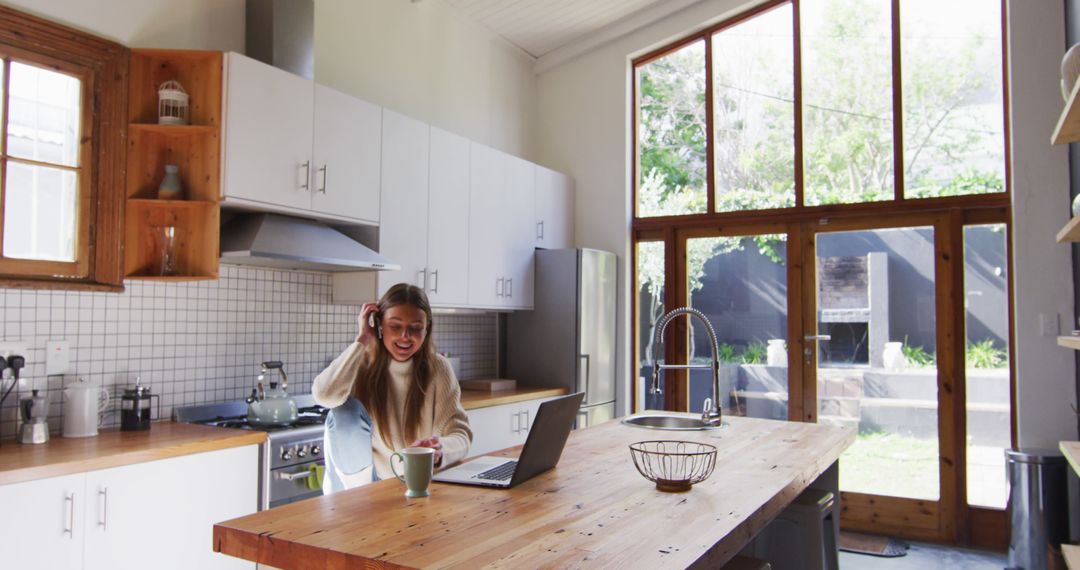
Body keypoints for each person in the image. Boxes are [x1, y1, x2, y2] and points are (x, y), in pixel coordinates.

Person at [313, 283, 472, 491]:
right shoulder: (359, 363)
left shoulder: (438, 368)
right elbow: (324, 396)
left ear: (426, 329)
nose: (405, 336)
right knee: (344, 410)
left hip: (411, 483)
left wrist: (441, 449)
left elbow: (461, 436)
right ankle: (361, 498)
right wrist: (362, 339)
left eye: (415, 328)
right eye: (395, 326)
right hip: (356, 487)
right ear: (379, 325)